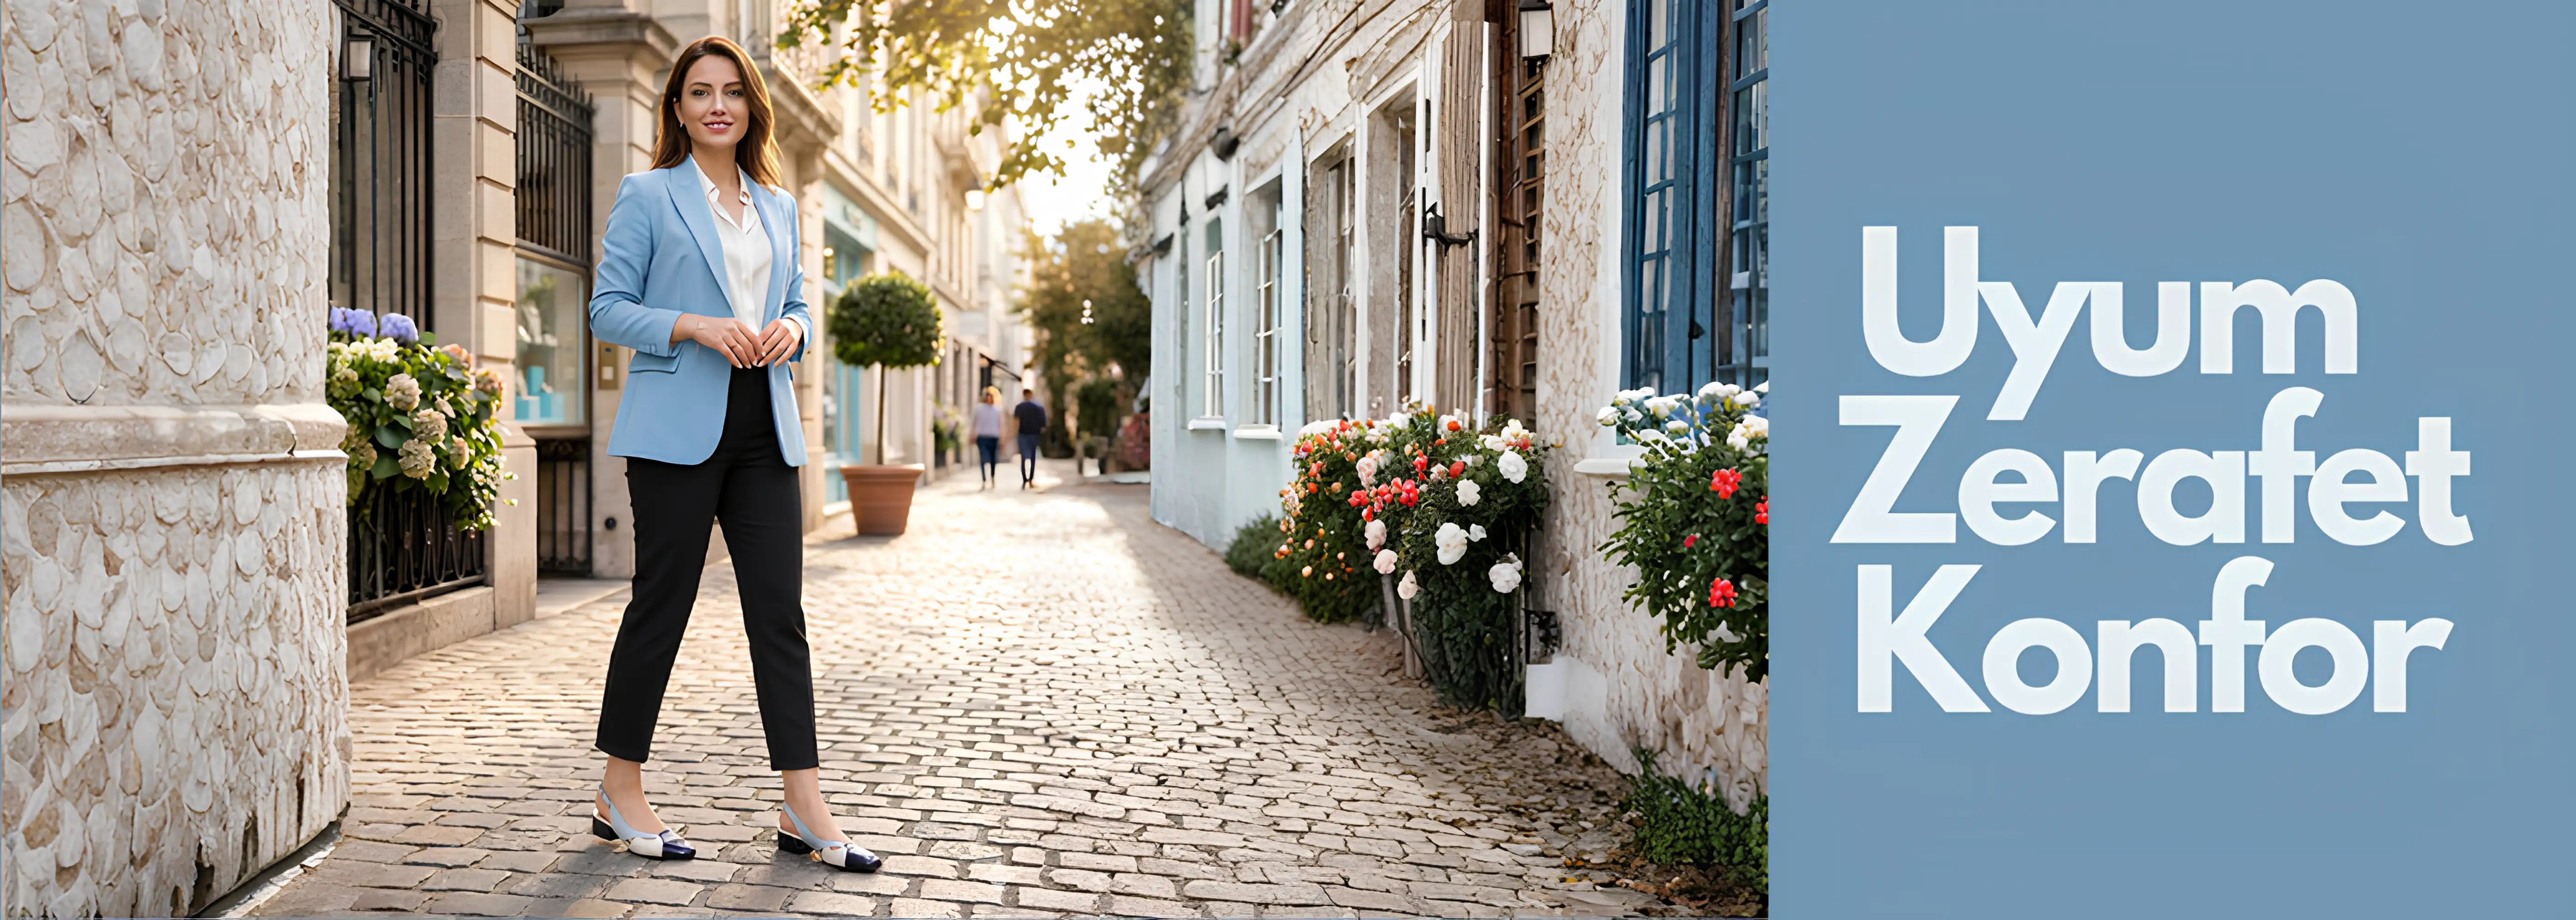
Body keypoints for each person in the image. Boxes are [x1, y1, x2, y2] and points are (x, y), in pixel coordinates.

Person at [581, 35, 880, 874]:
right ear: (676, 108)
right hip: (677, 426)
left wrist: (795, 327)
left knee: (779, 617)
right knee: (662, 606)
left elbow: (795, 300)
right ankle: (619, 787)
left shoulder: (779, 206)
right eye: (701, 91)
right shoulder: (647, 194)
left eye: (733, 92)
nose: (719, 105)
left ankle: (803, 802)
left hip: (766, 426)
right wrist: (694, 324)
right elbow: (607, 308)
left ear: (752, 107)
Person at [1012, 388, 1047, 489]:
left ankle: (1024, 479)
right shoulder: (1039, 407)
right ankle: (1031, 479)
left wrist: (1016, 434)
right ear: (1031, 395)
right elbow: (1044, 425)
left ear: (1024, 395)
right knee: (1033, 458)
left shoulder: (1020, 407)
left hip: (1023, 434)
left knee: (1023, 458)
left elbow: (1016, 421)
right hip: (1035, 434)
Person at [972, 386, 1005, 489]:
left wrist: (1003, 438)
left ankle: (993, 477)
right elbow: (974, 422)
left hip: (994, 437)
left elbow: (1002, 425)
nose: (989, 398)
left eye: (991, 396)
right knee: (983, 458)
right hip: (982, 436)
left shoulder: (998, 409)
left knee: (993, 459)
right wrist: (972, 434)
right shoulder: (979, 408)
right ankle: (984, 479)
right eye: (988, 395)